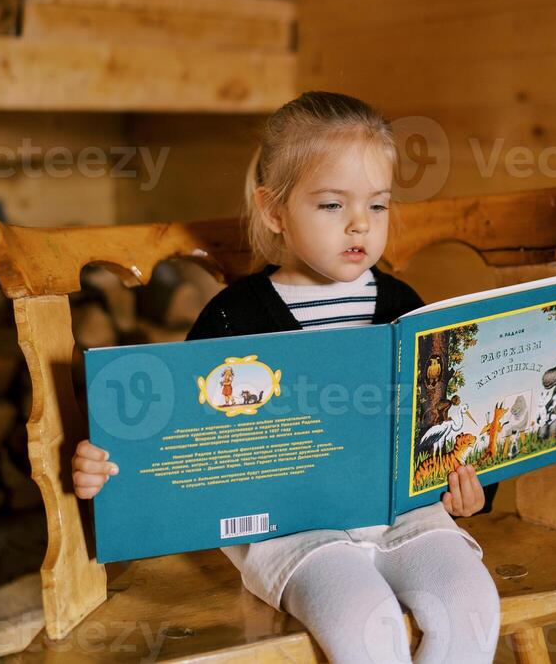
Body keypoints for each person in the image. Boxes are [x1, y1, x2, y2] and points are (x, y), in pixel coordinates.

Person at [72, 90, 501, 663]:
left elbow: (444, 423)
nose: (360, 224)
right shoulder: (234, 315)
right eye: (331, 205)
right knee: (366, 623)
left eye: (378, 205)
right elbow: (174, 436)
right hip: (296, 532)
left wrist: (469, 488)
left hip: (406, 515)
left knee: (470, 603)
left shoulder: (405, 305)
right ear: (274, 210)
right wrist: (106, 467)